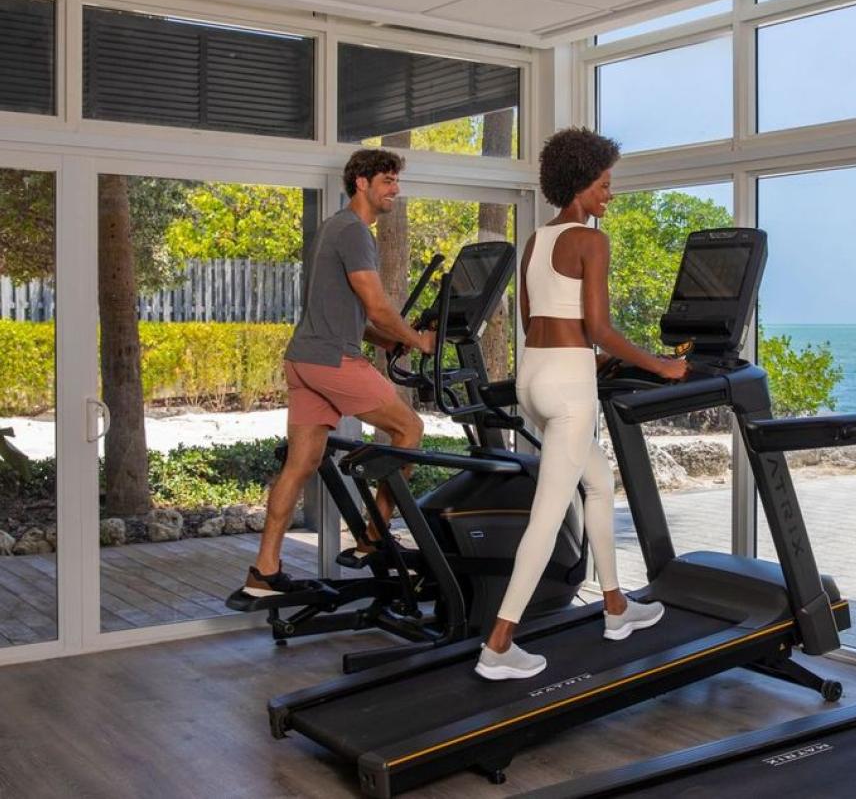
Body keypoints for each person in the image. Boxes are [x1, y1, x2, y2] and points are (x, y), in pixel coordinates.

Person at [475, 128, 688, 681]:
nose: (608, 196)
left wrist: (588, 360)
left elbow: (532, 320)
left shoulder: (536, 241)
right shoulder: (591, 240)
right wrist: (659, 365)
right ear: (578, 185)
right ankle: (498, 644)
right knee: (546, 519)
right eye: (602, 185)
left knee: (599, 483)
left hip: (534, 378)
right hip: (569, 387)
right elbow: (598, 327)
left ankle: (616, 607)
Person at [240, 149, 436, 598]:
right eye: (388, 181)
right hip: (332, 361)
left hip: (304, 360)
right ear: (362, 183)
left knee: (300, 464)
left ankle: (263, 572)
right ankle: (373, 535)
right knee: (409, 428)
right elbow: (377, 304)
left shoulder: (335, 228)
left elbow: (346, 311)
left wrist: (388, 340)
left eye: (396, 182)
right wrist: (420, 340)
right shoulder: (353, 231)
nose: (395, 190)